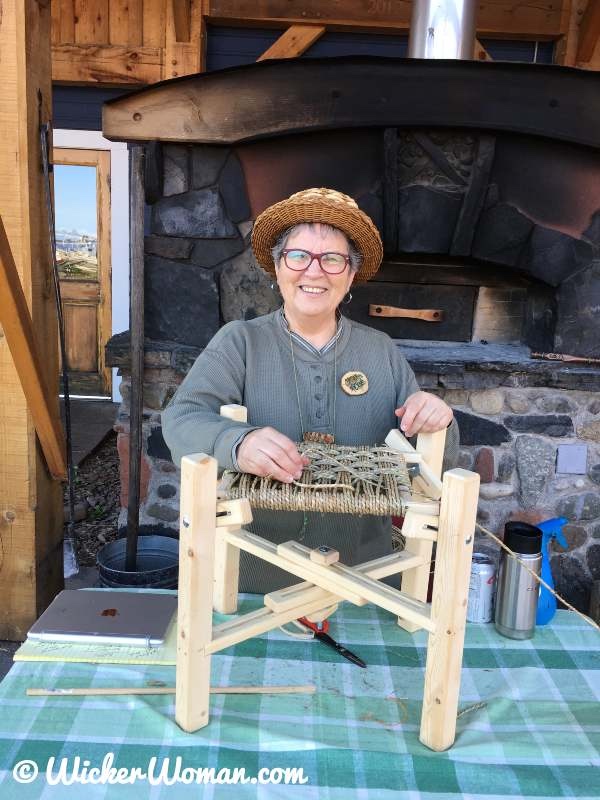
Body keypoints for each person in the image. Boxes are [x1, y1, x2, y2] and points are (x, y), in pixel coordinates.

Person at [162, 187, 458, 593]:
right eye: (298, 256)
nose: (314, 271)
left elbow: (435, 460)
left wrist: (435, 418)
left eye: (332, 259)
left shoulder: (380, 350)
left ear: (351, 274)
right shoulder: (241, 342)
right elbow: (181, 419)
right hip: (252, 573)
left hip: (364, 577)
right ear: (278, 268)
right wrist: (236, 441)